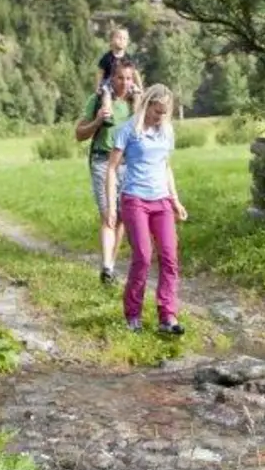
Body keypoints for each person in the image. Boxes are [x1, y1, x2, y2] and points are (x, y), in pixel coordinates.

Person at [103, 84, 187, 335]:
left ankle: (167, 316)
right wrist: (110, 207)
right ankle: (133, 315)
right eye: (157, 111)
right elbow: (111, 169)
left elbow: (165, 166)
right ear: (148, 105)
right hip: (135, 199)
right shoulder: (128, 129)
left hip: (161, 201)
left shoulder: (166, 131)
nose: (160, 117)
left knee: (170, 257)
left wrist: (175, 199)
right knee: (143, 256)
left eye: (164, 113)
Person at [75, 59, 139, 284]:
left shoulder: (134, 103)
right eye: (120, 78)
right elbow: (79, 134)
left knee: (121, 217)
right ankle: (106, 265)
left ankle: (110, 267)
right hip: (103, 161)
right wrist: (97, 122)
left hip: (127, 164)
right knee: (108, 215)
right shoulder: (98, 100)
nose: (124, 82)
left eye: (129, 78)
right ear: (112, 78)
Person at [94, 26, 133, 96]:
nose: (122, 40)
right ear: (111, 40)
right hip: (109, 83)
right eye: (119, 37)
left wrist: (140, 87)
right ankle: (106, 105)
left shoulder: (128, 58)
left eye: (124, 38)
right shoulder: (107, 57)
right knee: (106, 93)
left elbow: (135, 73)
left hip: (125, 83)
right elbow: (100, 74)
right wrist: (97, 87)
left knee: (136, 94)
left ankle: (136, 106)